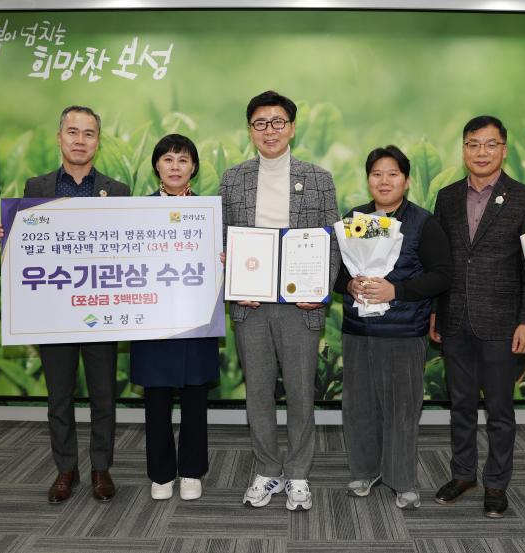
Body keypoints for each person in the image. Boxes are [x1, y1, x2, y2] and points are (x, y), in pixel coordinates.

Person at [0, 105, 130, 503]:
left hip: (100, 310)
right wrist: (6, 237)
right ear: (59, 138)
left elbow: (129, 247)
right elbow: (28, 248)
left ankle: (101, 468)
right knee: (59, 397)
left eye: (89, 133)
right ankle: (65, 469)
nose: (80, 140)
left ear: (98, 142)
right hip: (53, 312)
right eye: (72, 132)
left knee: (103, 396)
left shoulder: (118, 191)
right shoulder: (36, 187)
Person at [220, 90, 340, 511]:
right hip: (250, 306)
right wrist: (231, 274)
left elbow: (332, 241)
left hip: (299, 306)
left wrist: (320, 291)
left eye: (277, 122)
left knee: (301, 392)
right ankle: (267, 469)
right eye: (260, 123)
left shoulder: (319, 177)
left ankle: (299, 474)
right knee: (257, 392)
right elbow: (223, 237)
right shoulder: (233, 178)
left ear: (291, 127)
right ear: (250, 130)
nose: (269, 130)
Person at [430, 115, 525, 517]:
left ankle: (496, 483)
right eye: (473, 144)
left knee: (499, 410)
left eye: (490, 144)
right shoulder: (446, 197)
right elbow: (440, 262)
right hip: (454, 319)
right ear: (463, 149)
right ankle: (463, 474)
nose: (481, 152)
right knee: (460, 405)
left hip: (502, 323)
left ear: (504, 150)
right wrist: (436, 312)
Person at [335, 146, 451, 510]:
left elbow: (442, 275)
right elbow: (335, 273)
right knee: (359, 406)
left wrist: (396, 291)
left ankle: (403, 480)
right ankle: (364, 471)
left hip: (403, 332)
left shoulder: (423, 223)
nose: (384, 181)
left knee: (402, 409)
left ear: (406, 180)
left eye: (392, 174)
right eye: (376, 174)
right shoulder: (354, 219)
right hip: (358, 330)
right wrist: (349, 284)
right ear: (368, 179)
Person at [130, 134, 220, 501]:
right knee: (156, 399)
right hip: (152, 316)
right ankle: (162, 473)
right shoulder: (137, 210)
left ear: (194, 167)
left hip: (196, 316)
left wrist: (225, 257)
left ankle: (192, 472)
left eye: (183, 160)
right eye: (168, 159)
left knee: (195, 398)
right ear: (156, 166)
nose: (175, 167)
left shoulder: (210, 212)